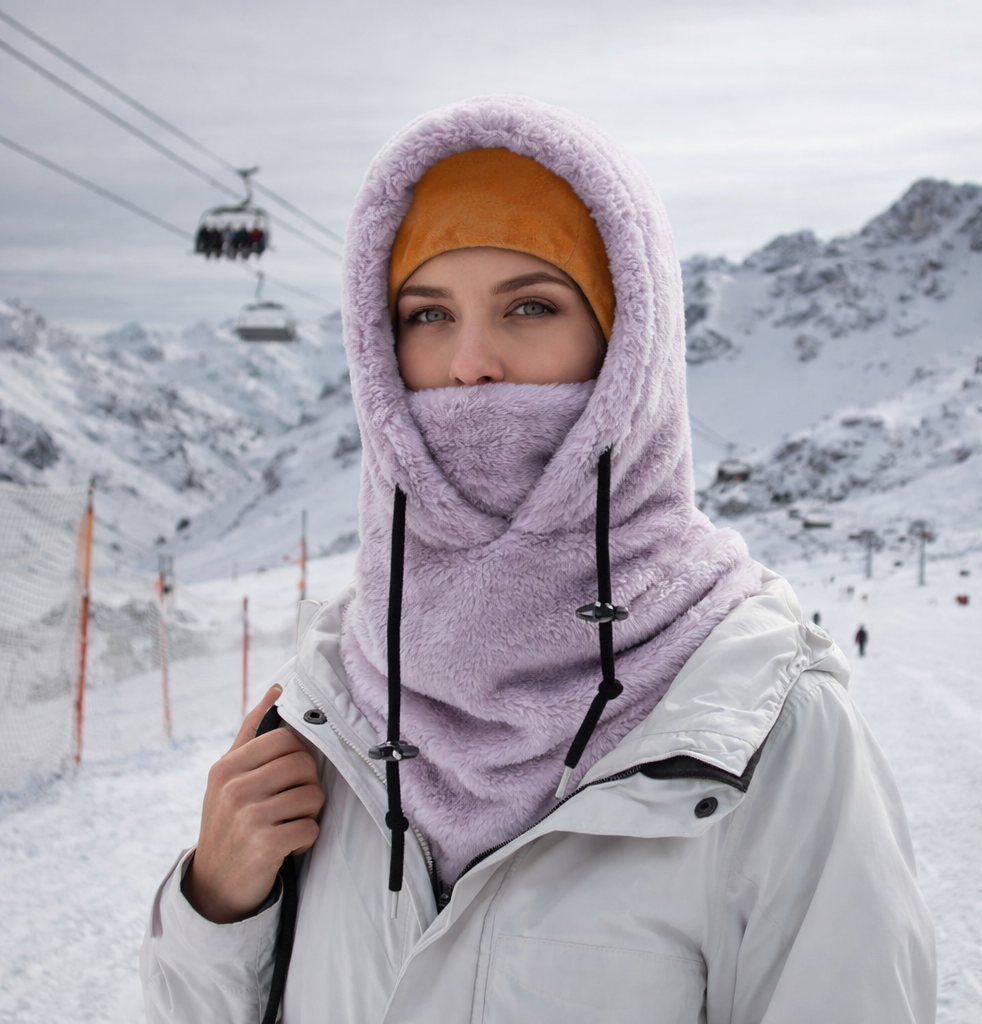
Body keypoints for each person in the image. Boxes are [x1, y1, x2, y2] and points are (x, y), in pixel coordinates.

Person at [141, 97, 935, 1023]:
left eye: (531, 306)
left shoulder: (766, 733)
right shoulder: (331, 709)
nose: (470, 363)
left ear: (628, 346)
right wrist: (218, 905)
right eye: (427, 314)